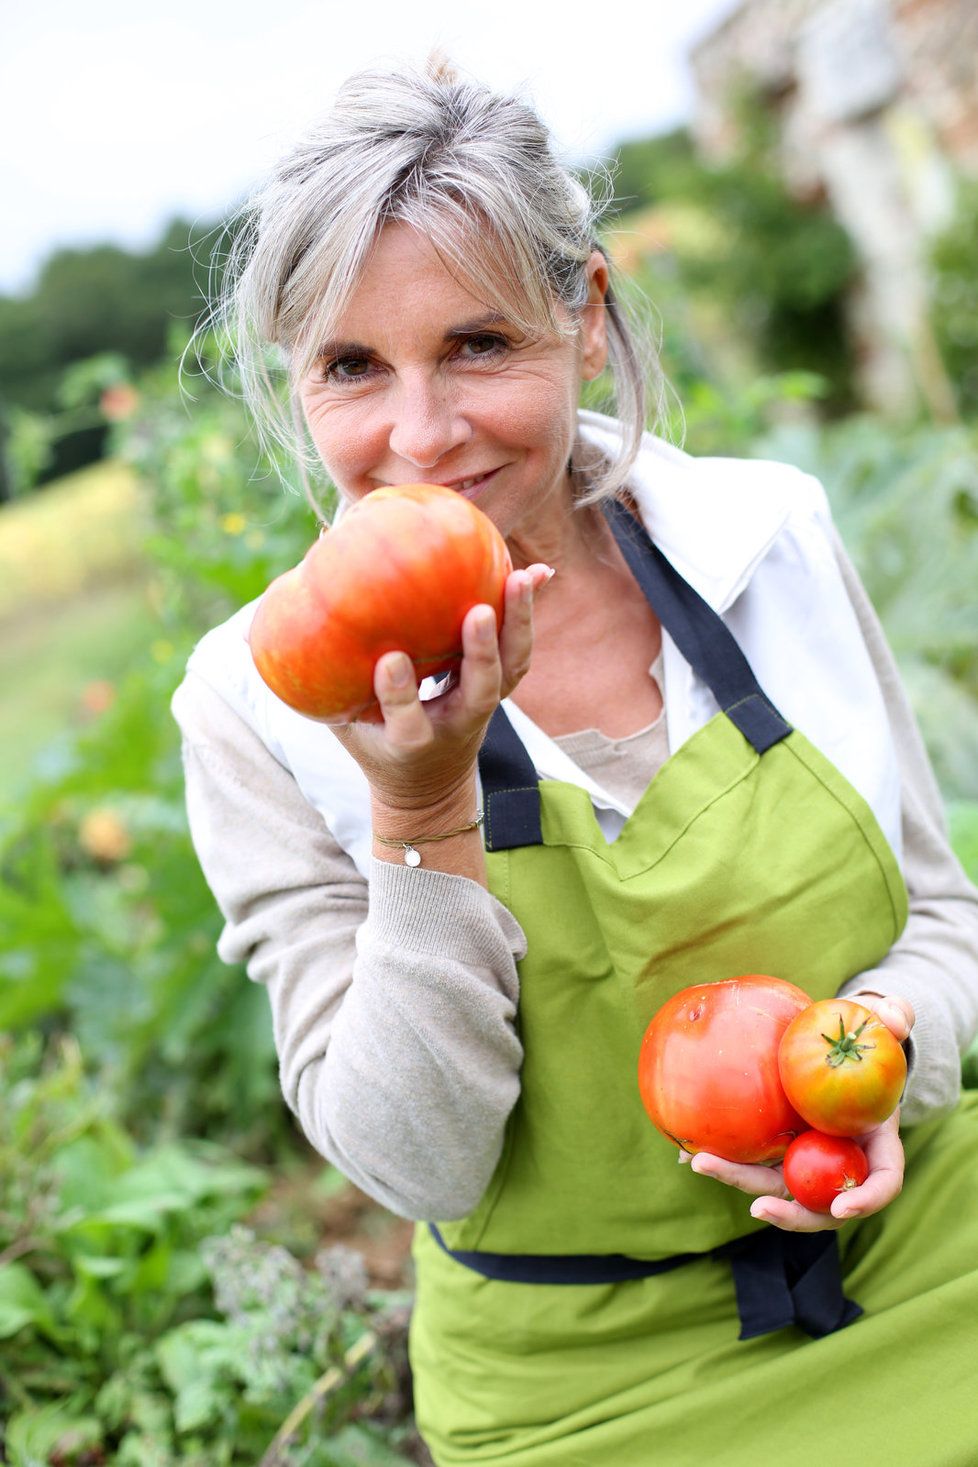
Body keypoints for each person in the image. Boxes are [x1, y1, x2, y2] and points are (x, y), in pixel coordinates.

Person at [172, 57, 978, 1467]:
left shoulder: (764, 542)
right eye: (353, 368)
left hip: (927, 1260)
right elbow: (414, 1165)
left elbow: (945, 922)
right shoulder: (257, 703)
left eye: (478, 345)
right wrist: (417, 816)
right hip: (581, 1387)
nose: (419, 437)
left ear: (585, 317)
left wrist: (887, 1063)